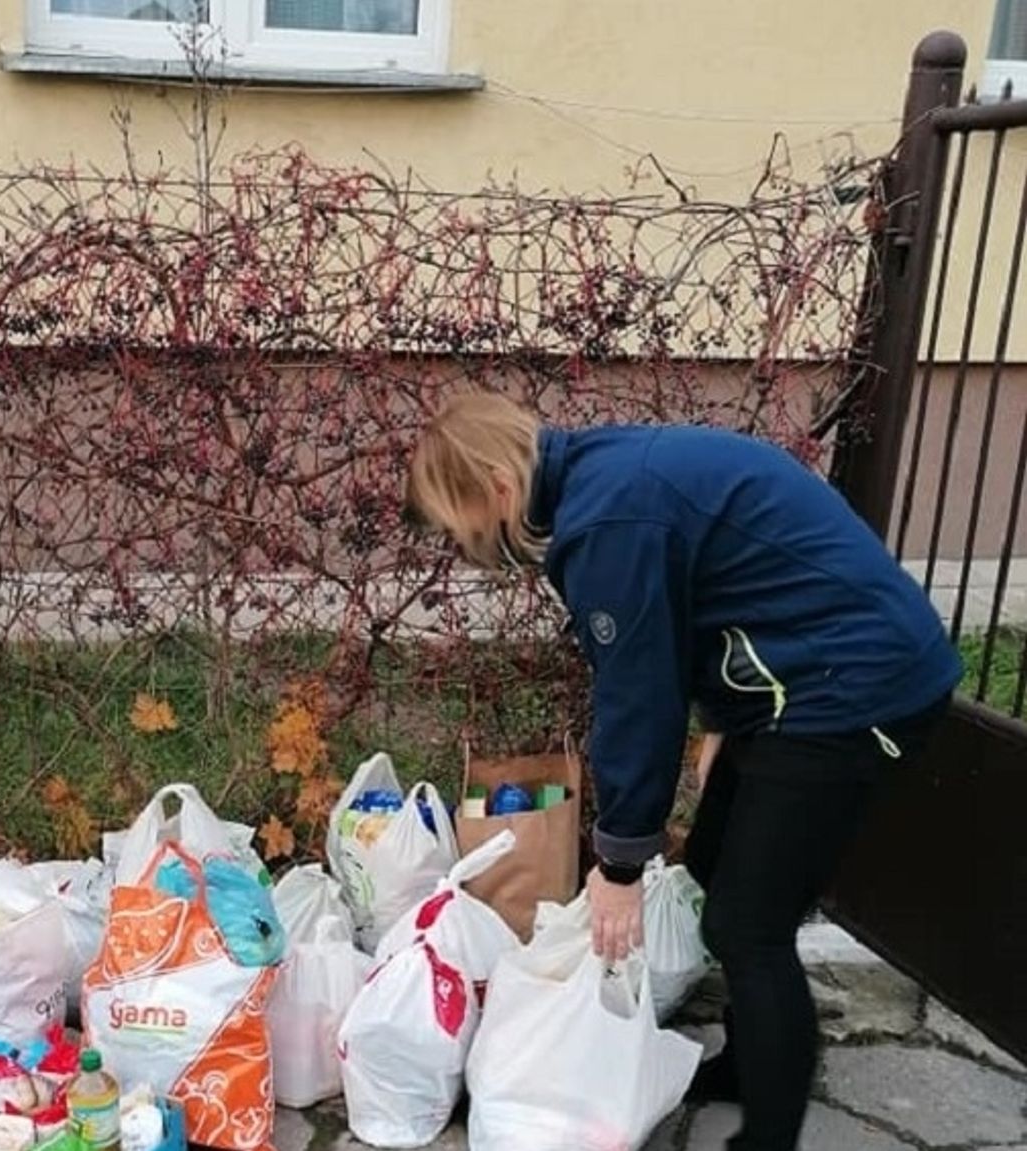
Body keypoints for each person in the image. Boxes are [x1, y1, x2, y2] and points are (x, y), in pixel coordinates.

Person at [404, 391, 959, 1151]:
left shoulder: (604, 525)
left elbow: (638, 699)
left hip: (856, 686)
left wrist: (620, 864)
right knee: (712, 865)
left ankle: (769, 1135)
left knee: (747, 925)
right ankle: (747, 1060)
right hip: (800, 678)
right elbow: (712, 592)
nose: (471, 549)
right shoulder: (595, 478)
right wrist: (728, 721)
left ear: (497, 488)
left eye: (465, 531)